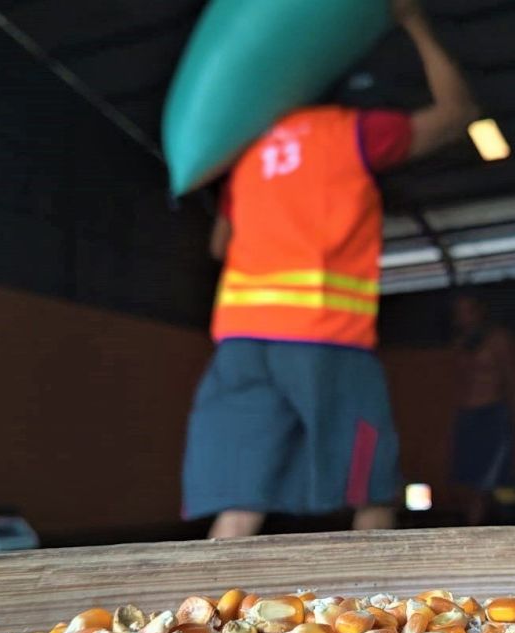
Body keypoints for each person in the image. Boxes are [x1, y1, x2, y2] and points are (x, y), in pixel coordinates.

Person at [182, 0, 479, 540]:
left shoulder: (243, 157)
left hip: (242, 344)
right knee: (371, 487)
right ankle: (381, 617)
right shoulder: (348, 133)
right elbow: (458, 114)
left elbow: (220, 245)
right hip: (326, 338)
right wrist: (415, 23)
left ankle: (205, 618)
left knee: (241, 501)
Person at [449, 294, 515, 527]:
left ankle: (479, 530)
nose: (463, 317)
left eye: (468, 311)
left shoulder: (499, 339)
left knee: (491, 480)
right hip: (467, 416)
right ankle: (476, 526)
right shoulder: (459, 344)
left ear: (479, 311)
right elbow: (458, 385)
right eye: (459, 312)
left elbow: (514, 380)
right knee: (466, 481)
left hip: (493, 414)